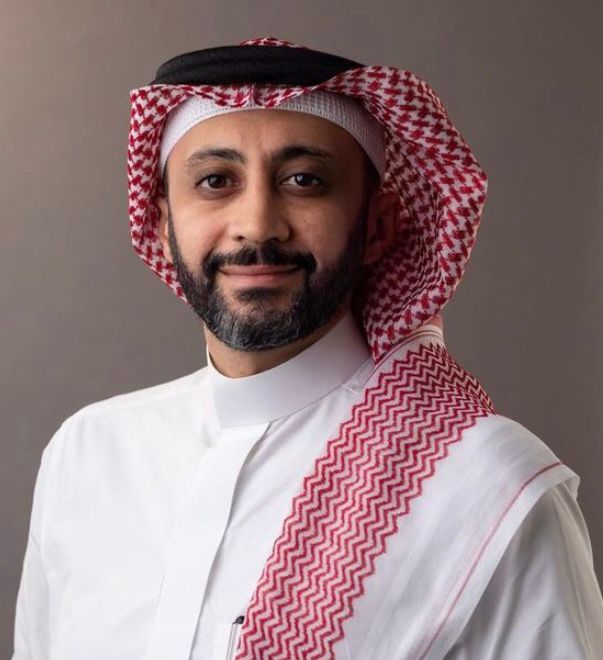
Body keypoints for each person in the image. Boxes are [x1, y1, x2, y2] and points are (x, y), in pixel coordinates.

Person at [12, 36, 603, 660]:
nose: (257, 225)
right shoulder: (88, 454)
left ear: (377, 225)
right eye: (215, 181)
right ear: (161, 225)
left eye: (304, 181)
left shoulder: (486, 484)